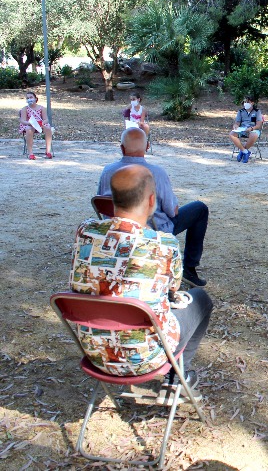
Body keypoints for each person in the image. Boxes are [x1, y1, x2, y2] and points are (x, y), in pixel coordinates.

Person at [71, 164, 213, 390]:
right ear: (151, 201)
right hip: (148, 356)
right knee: (202, 299)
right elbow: (173, 290)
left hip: (96, 353)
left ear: (111, 200)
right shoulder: (164, 244)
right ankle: (178, 375)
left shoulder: (85, 232)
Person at [98, 127, 209, 287]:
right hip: (153, 230)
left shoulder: (107, 171)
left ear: (121, 148)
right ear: (147, 147)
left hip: (117, 230)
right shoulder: (156, 173)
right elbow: (173, 211)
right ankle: (189, 269)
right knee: (200, 209)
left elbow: (101, 202)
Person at [229, 96, 264, 163]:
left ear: (252, 103)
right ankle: (245, 151)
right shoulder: (241, 111)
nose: (246, 103)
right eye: (245, 102)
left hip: (253, 129)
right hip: (242, 129)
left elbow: (258, 125)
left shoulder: (257, 112)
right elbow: (237, 122)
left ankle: (242, 152)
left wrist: (251, 128)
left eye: (248, 102)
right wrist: (235, 126)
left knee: (253, 135)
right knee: (232, 134)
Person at [19, 91, 53, 160]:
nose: (29, 99)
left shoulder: (41, 108)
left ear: (35, 98)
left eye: (31, 97)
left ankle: (48, 151)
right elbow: (22, 120)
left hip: (40, 124)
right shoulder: (25, 109)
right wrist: (30, 123)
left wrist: (41, 123)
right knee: (29, 129)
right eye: (27, 98)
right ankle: (31, 153)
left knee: (48, 128)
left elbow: (46, 119)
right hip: (29, 125)